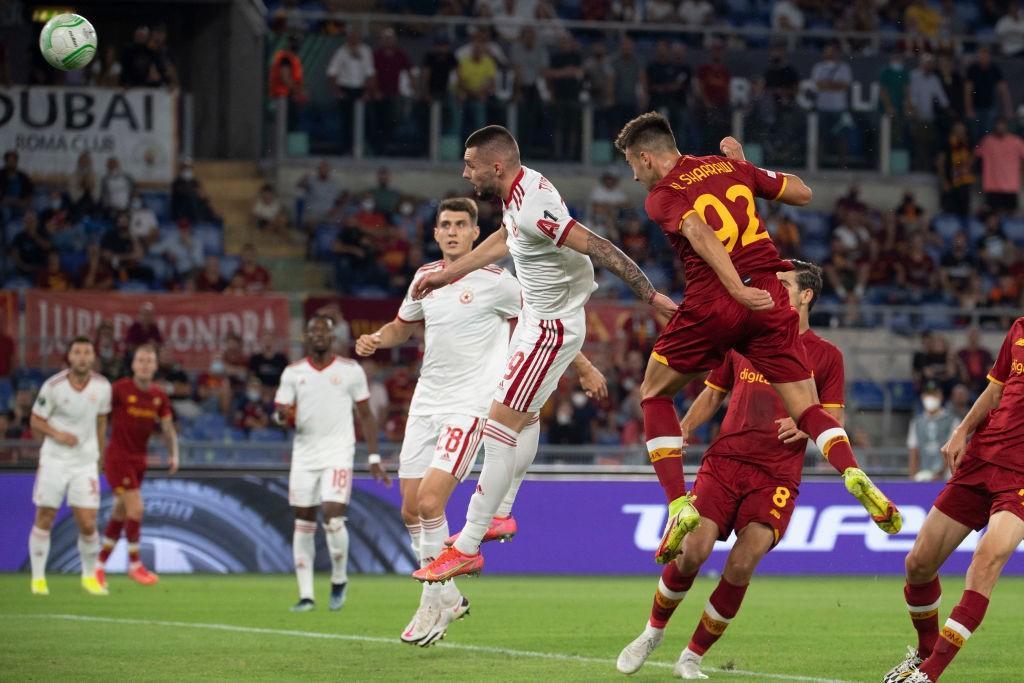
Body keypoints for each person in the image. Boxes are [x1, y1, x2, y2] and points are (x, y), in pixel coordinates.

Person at [612, 112, 901, 565]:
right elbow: (802, 193)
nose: (633, 173)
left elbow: (699, 231)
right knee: (807, 408)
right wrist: (746, 168)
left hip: (717, 300)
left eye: (632, 163)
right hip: (771, 293)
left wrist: (733, 287)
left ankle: (677, 504)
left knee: (653, 393)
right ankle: (852, 473)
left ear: (646, 157)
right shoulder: (730, 167)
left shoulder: (662, 195)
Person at [410, 125, 676, 583]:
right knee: (525, 418)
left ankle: (469, 544)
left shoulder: (535, 207)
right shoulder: (520, 191)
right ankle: (502, 513)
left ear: (495, 165)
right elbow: (502, 240)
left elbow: (601, 248)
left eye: (471, 164)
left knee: (497, 429)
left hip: (549, 329)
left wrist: (651, 296)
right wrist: (449, 275)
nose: (465, 172)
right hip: (540, 318)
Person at [357, 197, 607, 644]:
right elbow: (402, 325)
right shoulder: (424, 278)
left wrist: (584, 366)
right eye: (445, 225)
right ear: (435, 233)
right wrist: (378, 338)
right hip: (425, 403)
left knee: (432, 502)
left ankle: (431, 607)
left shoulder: (499, 282)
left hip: (471, 405)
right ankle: (449, 597)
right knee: (411, 508)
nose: (452, 232)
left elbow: (544, 325)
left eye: (460, 225)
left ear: (476, 234)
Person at [615, 261, 859, 678]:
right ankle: (652, 632)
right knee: (693, 551)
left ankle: (691, 656)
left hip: (777, 474)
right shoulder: (745, 337)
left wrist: (803, 427)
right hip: (725, 463)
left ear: (806, 296)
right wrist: (683, 429)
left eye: (783, 284)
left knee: (742, 564)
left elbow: (833, 417)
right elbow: (712, 396)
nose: (772, 289)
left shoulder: (826, 356)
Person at [883, 316, 1024, 682]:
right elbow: (995, 390)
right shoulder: (1019, 329)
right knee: (918, 563)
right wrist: (962, 430)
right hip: (982, 458)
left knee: (985, 561)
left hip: (1021, 478)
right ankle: (925, 651)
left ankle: (929, 674)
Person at [272, 316, 390, 612]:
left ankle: (339, 580)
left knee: (333, 516)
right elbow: (279, 415)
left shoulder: (350, 371)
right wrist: (281, 416)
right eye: (313, 331)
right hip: (304, 454)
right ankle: (307, 595)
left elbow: (366, 415)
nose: (319, 336)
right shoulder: (292, 373)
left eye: (324, 331)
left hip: (338, 452)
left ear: (332, 336)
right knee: (303, 520)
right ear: (306, 337)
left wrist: (374, 456)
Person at [26, 337, 112, 596]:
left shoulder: (103, 386)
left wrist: (100, 457)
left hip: (85, 462)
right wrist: (58, 434)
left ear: (93, 357)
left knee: (88, 522)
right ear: (70, 357)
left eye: (87, 352)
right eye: (78, 352)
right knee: (45, 516)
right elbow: (35, 420)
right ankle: (38, 579)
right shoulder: (53, 386)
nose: (83, 357)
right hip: (54, 459)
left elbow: (101, 422)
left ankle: (89, 577)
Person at [95, 344, 178, 589]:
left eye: (149, 361)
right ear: (133, 364)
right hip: (118, 457)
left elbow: (167, 428)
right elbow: (100, 418)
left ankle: (98, 566)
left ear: (155, 366)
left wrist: (174, 454)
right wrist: (97, 453)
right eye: (140, 360)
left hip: (139, 460)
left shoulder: (159, 395)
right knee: (137, 508)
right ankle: (134, 564)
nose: (144, 364)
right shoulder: (119, 389)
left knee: (120, 513)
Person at [974, 118, 1024, 215]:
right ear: (994, 126)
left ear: (1007, 127)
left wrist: (1021, 174)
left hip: (1010, 185)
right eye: (998, 125)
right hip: (992, 185)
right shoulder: (987, 141)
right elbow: (976, 155)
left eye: (1002, 125)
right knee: (993, 214)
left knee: (1011, 214)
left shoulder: (1016, 141)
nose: (1000, 128)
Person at [908, 382, 955, 482]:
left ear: (941, 396)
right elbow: (913, 451)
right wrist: (912, 477)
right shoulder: (916, 422)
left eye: (934, 394)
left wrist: (939, 473)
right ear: (922, 397)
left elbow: (952, 450)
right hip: (923, 476)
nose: (931, 398)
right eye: (928, 395)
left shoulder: (952, 421)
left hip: (946, 477)